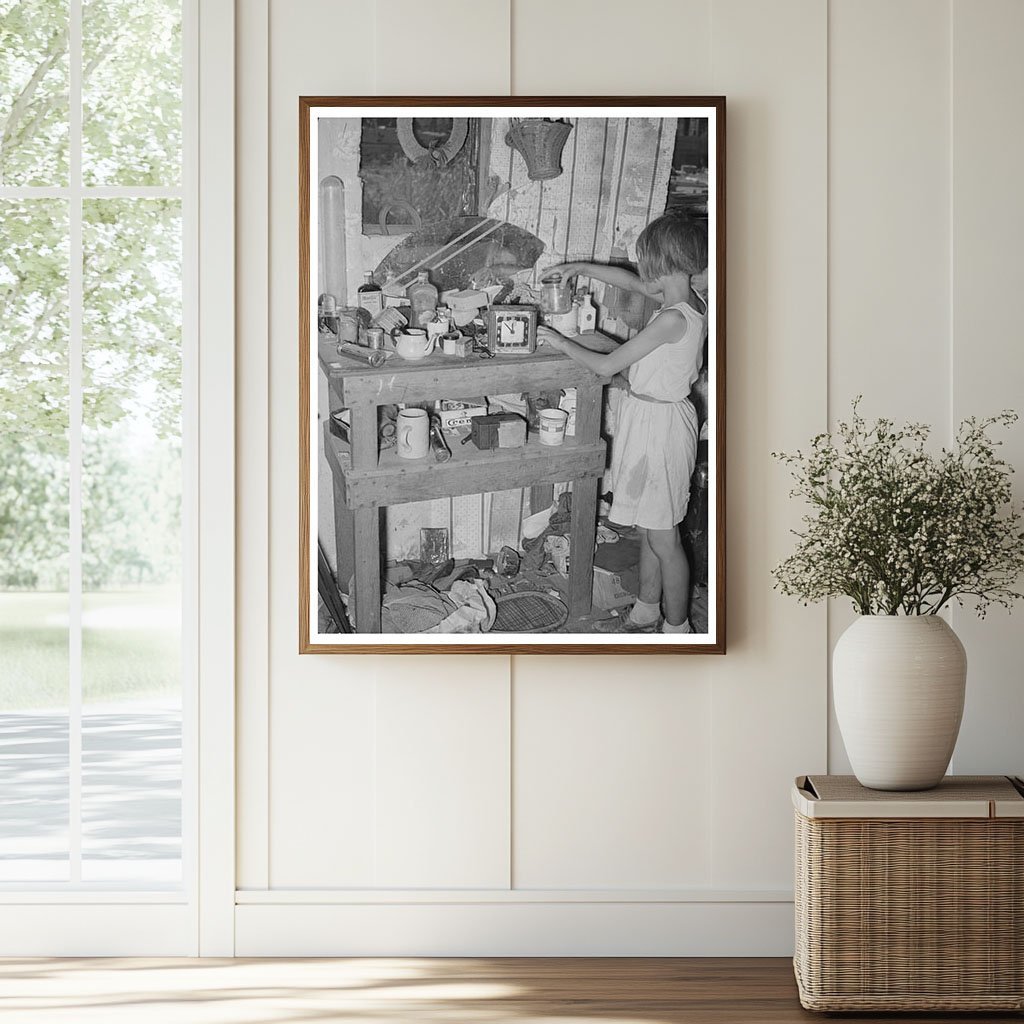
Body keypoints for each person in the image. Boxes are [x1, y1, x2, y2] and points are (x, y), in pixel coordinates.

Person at [539, 214, 708, 634]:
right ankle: (647, 610)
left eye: (644, 257)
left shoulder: (673, 319)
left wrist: (559, 340)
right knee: (652, 528)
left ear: (659, 262)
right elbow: (629, 282)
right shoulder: (686, 298)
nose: (640, 267)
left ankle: (678, 627)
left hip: (662, 428)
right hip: (650, 415)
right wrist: (577, 268)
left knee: (665, 539)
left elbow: (607, 363)